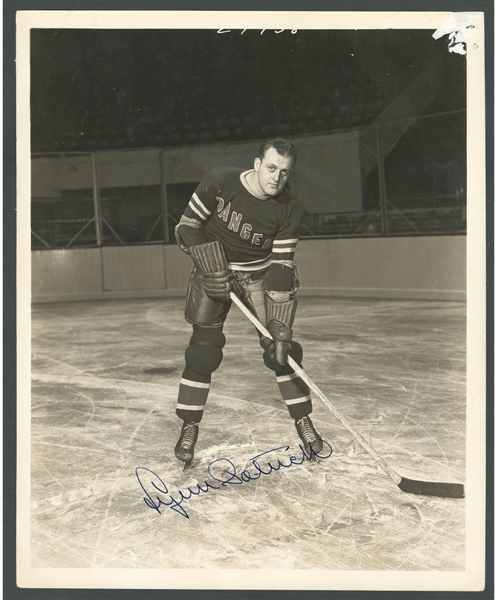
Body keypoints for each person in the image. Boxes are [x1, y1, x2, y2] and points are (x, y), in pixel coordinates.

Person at [173, 138, 323, 464]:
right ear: (256, 164)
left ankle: (303, 420)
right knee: (203, 350)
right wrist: (208, 265)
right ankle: (189, 427)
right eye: (271, 168)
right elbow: (187, 227)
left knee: (281, 352)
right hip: (214, 271)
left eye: (284, 172)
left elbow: (282, 264)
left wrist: (279, 326)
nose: (276, 178)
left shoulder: (290, 209)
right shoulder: (221, 181)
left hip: (258, 278)